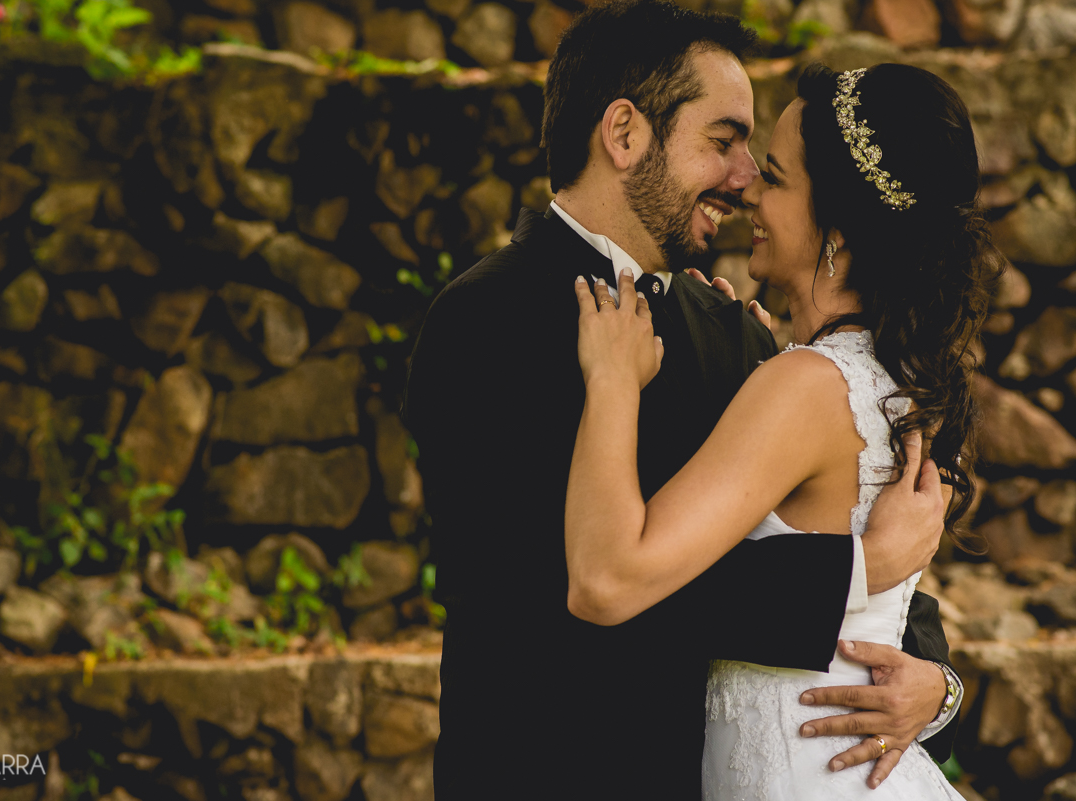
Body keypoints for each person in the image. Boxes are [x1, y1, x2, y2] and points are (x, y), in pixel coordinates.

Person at [404, 3, 962, 798]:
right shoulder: (484, 319)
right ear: (625, 134)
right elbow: (552, 587)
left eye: (756, 155)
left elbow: (835, 525)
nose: (744, 177)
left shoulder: (733, 333)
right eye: (723, 140)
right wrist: (855, 568)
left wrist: (936, 682)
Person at [566, 61, 1000, 799]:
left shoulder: (806, 386)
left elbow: (607, 581)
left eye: (774, 177)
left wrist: (611, 382)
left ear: (839, 227)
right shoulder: (890, 377)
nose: (749, 194)